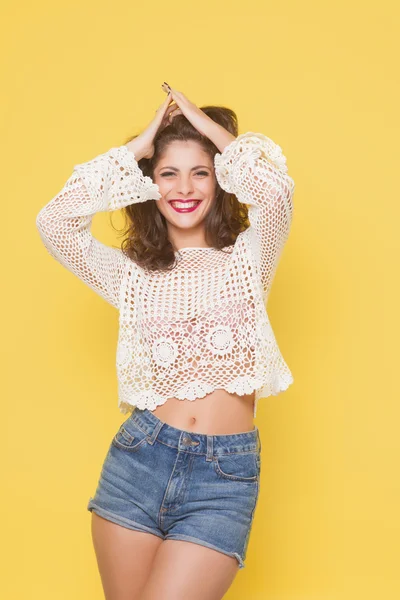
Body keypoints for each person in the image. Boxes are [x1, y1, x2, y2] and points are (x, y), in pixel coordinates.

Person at [36, 83, 295, 600]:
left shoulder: (248, 262)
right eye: (168, 173)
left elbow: (276, 192)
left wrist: (203, 124)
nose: (184, 187)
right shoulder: (130, 275)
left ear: (220, 180)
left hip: (223, 478)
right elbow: (55, 224)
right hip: (138, 463)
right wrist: (135, 150)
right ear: (149, 184)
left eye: (200, 172)